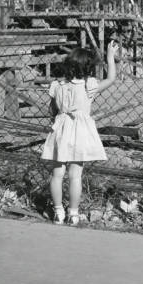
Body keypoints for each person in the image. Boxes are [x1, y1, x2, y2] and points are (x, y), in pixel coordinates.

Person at [41, 41, 119, 225]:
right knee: (75, 175)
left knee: (57, 174)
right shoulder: (88, 85)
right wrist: (110, 55)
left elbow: (52, 110)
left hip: (61, 129)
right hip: (80, 133)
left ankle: (58, 211)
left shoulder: (57, 85)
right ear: (89, 68)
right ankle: (73, 213)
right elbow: (111, 78)